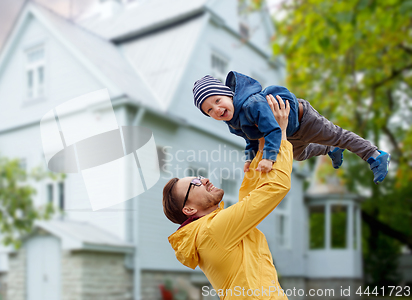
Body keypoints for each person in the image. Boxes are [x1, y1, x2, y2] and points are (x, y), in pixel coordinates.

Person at [163, 96, 292, 300]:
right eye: (195, 183)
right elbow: (275, 188)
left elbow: (249, 198)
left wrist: (261, 147)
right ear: (189, 210)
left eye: (198, 176)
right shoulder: (213, 231)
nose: (204, 179)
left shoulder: (213, 229)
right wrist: (281, 137)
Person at [192, 71, 390, 184]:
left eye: (218, 100)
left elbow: (272, 130)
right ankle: (331, 149)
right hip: (288, 133)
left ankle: (374, 155)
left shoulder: (252, 104)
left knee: (338, 135)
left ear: (229, 94)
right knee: (299, 155)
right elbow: (251, 139)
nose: (217, 109)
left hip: (303, 120)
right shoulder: (232, 122)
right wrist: (250, 159)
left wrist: (269, 159)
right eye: (209, 110)